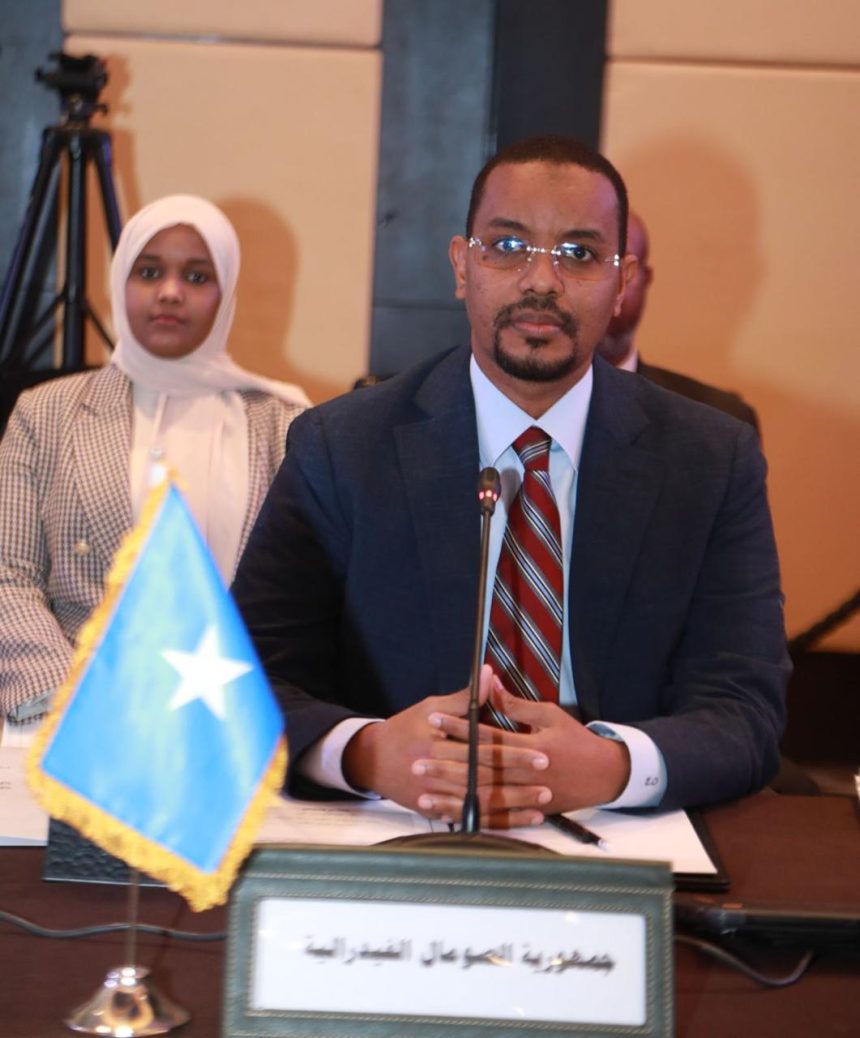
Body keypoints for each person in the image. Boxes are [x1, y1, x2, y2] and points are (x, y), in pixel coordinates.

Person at [232, 136, 789, 828]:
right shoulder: (342, 446)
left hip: (618, 833)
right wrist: (367, 754)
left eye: (579, 254)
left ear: (622, 282)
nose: (541, 281)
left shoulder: (710, 458)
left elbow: (745, 708)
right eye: (508, 246)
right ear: (462, 266)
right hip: (397, 828)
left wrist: (614, 765)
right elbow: (247, 675)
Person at [0, 194, 309, 725]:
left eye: (196, 276)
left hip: (234, 720)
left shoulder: (285, 424)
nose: (169, 292)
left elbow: (309, 598)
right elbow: (9, 573)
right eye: (148, 272)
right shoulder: (45, 413)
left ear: (226, 292)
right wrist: (65, 702)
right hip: (71, 719)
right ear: (119, 280)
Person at [598, 211, 760, 432]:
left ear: (646, 279)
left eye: (624, 267)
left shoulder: (719, 424)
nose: (608, 284)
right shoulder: (545, 407)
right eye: (585, 258)